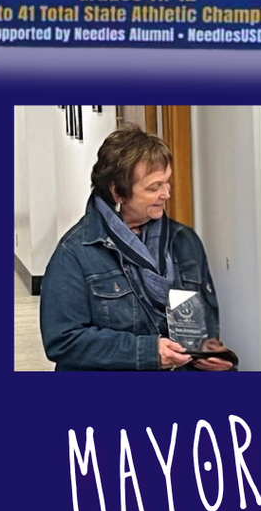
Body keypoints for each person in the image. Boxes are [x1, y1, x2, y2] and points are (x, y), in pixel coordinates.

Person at [40, 123, 236, 371]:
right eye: (154, 187)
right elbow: (63, 341)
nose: (167, 194)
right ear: (118, 193)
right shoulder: (74, 253)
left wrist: (208, 353)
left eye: (167, 182)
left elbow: (204, 325)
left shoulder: (185, 241)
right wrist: (148, 352)